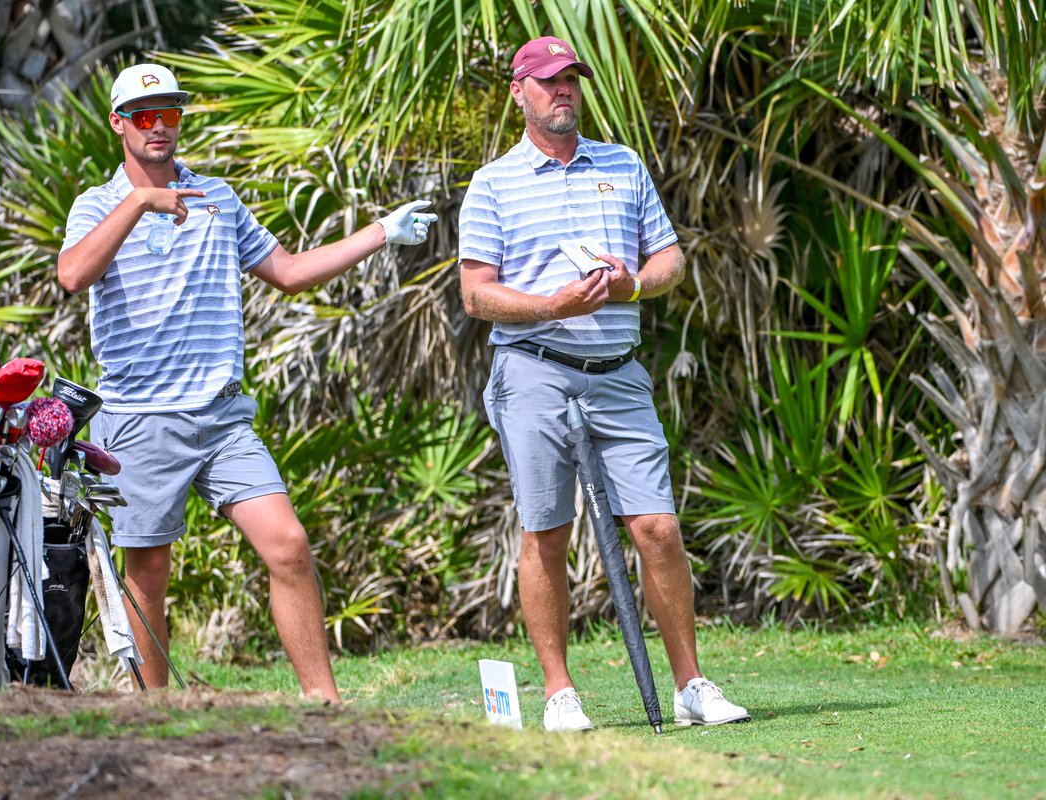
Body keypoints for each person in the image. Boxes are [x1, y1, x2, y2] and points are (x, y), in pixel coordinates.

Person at [58, 63, 437, 695]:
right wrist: (140, 202)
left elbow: (289, 273)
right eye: (145, 116)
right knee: (148, 573)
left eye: (170, 113)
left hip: (222, 419)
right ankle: (155, 716)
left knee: (288, 544)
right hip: (140, 419)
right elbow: (73, 276)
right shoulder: (96, 204)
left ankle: (324, 704)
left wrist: (380, 233)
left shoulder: (218, 198)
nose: (159, 126)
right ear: (119, 124)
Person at [457, 36, 749, 731]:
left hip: (618, 374)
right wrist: (552, 305)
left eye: (571, 79)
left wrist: (633, 286)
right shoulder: (492, 183)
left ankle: (691, 687)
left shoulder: (623, 164)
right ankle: (560, 693)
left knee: (657, 527)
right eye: (548, 81)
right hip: (533, 371)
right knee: (546, 532)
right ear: (518, 92)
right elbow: (476, 294)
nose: (564, 91)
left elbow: (670, 261)